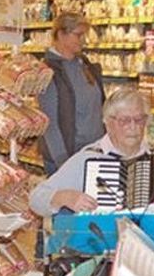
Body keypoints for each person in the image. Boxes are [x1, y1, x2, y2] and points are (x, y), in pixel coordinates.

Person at [29, 87, 152, 276]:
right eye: (125, 121)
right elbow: (37, 197)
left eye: (140, 120)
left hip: (143, 257)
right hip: (96, 256)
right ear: (108, 123)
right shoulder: (87, 159)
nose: (134, 129)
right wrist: (65, 197)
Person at [37, 11, 106, 175]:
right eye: (78, 35)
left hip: (94, 153)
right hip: (67, 157)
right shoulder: (48, 71)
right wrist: (64, 164)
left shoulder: (85, 65)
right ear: (61, 34)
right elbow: (49, 124)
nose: (83, 40)